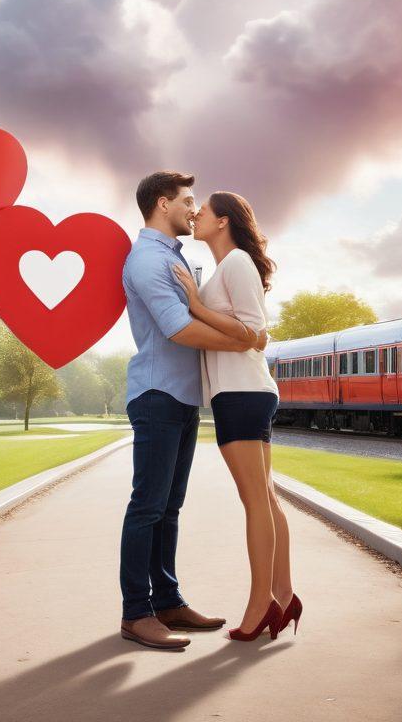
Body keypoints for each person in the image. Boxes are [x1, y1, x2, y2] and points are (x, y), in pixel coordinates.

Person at [119, 171, 266, 651]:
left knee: (169, 508)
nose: (193, 209)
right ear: (163, 204)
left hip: (181, 397)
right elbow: (177, 329)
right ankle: (137, 614)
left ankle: (168, 600)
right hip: (157, 393)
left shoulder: (174, 259)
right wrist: (245, 337)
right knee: (147, 506)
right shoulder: (146, 260)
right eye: (187, 201)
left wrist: (238, 331)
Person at [171, 192, 301, 642]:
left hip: (242, 393)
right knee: (266, 499)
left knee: (255, 503)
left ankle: (260, 603)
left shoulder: (237, 262)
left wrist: (196, 306)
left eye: (201, 211)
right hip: (243, 392)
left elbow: (255, 333)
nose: (194, 214)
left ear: (223, 220)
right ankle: (284, 596)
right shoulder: (231, 266)